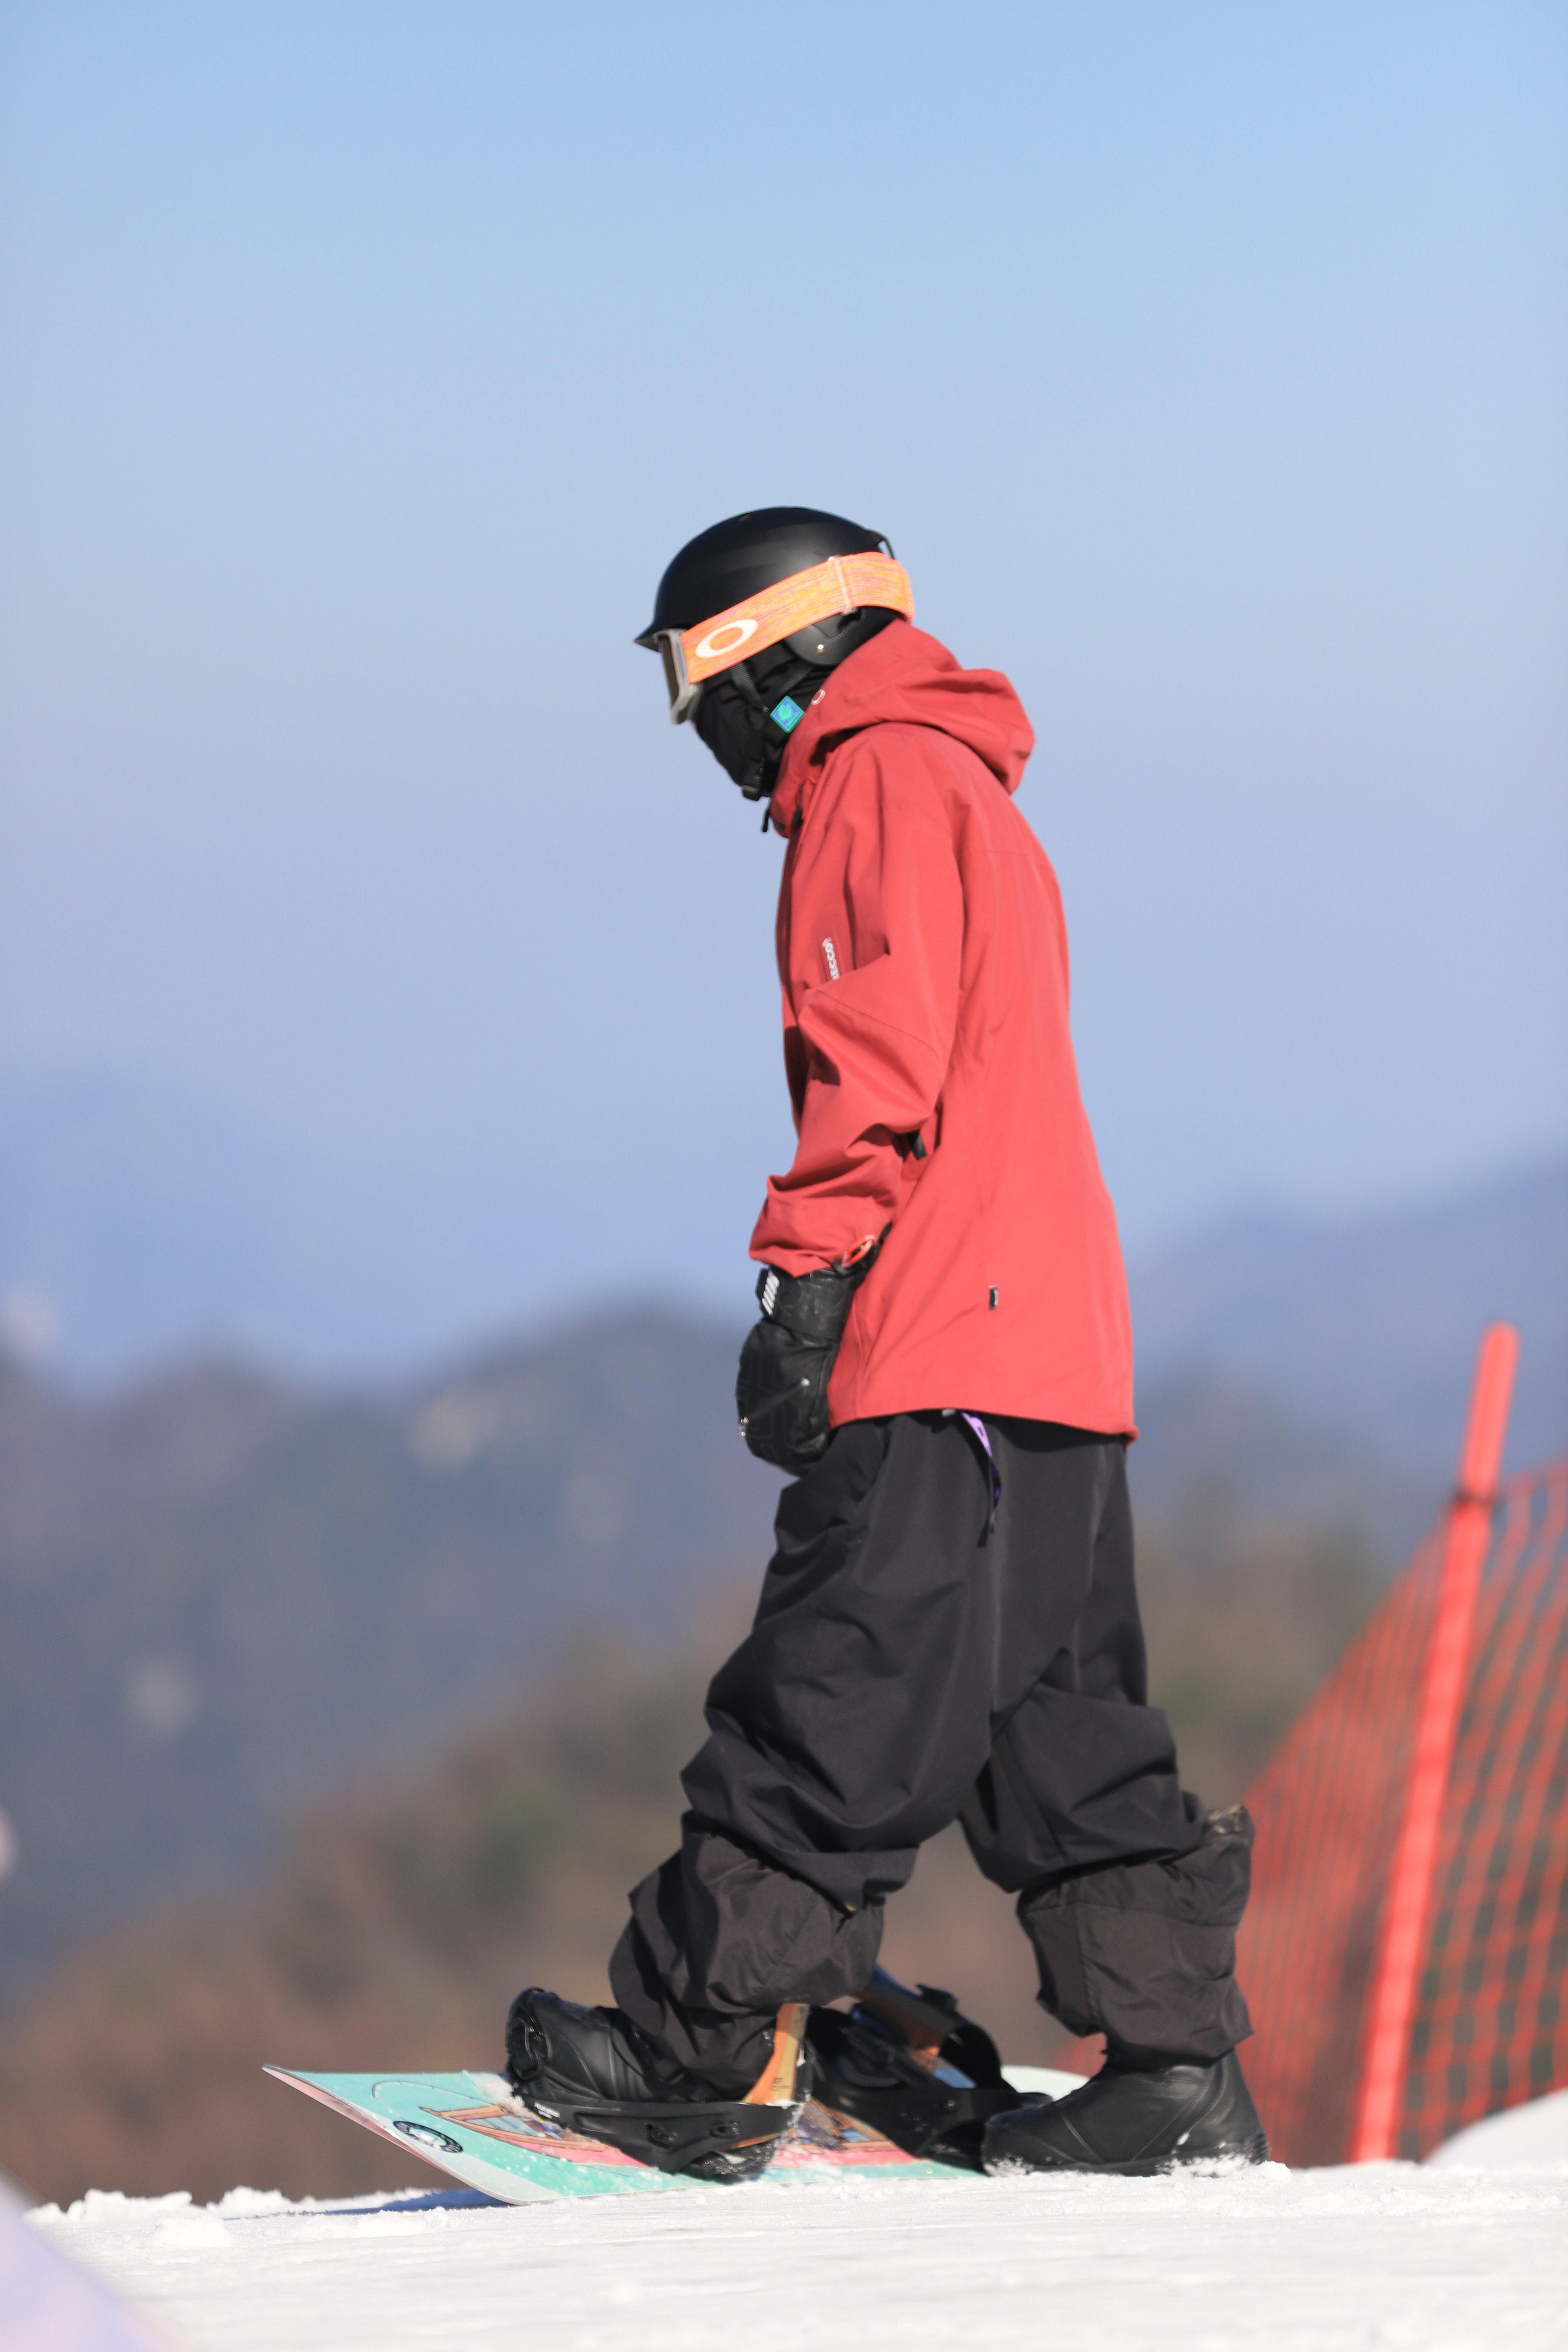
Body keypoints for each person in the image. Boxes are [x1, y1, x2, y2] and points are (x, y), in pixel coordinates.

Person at [505, 508, 1268, 2178]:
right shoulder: (967, 785)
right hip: (1057, 1349)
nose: (701, 734)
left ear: (767, 662)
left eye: (698, 689)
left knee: (832, 1693)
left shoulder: (873, 779)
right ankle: (1176, 2073)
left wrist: (804, 1286)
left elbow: (876, 1061)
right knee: (1058, 1728)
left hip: (945, 1341)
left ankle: (697, 2056)